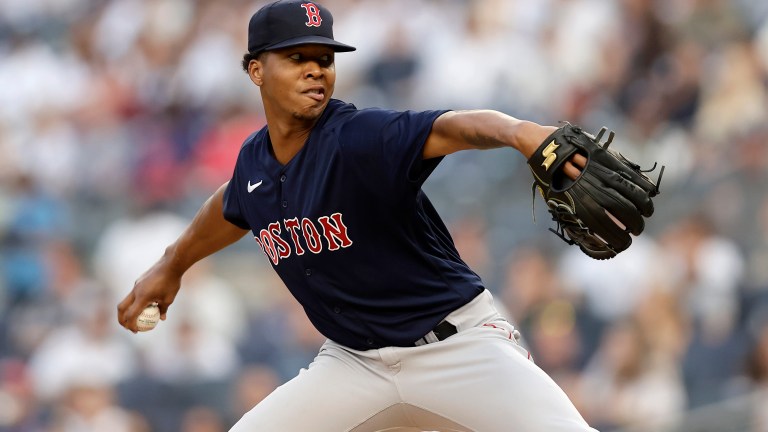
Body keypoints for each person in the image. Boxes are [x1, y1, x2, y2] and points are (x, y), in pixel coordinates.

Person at [117, 1, 595, 430]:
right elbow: (230, 203)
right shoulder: (254, 164)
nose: (315, 70)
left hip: (456, 348)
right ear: (256, 71)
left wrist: (520, 132)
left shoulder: (359, 136)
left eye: (323, 60)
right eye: (296, 58)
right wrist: (172, 264)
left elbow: (449, 127)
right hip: (353, 365)